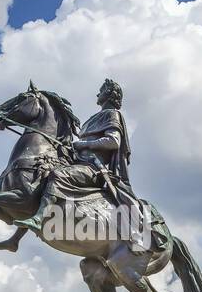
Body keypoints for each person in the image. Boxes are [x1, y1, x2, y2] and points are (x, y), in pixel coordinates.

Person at [14, 78, 145, 242]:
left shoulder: (112, 114)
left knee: (57, 175)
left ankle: (39, 219)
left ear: (110, 94)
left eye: (102, 90)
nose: (98, 93)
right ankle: (15, 239)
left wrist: (83, 144)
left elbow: (113, 142)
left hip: (94, 168)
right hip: (79, 162)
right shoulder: (93, 118)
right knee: (40, 178)